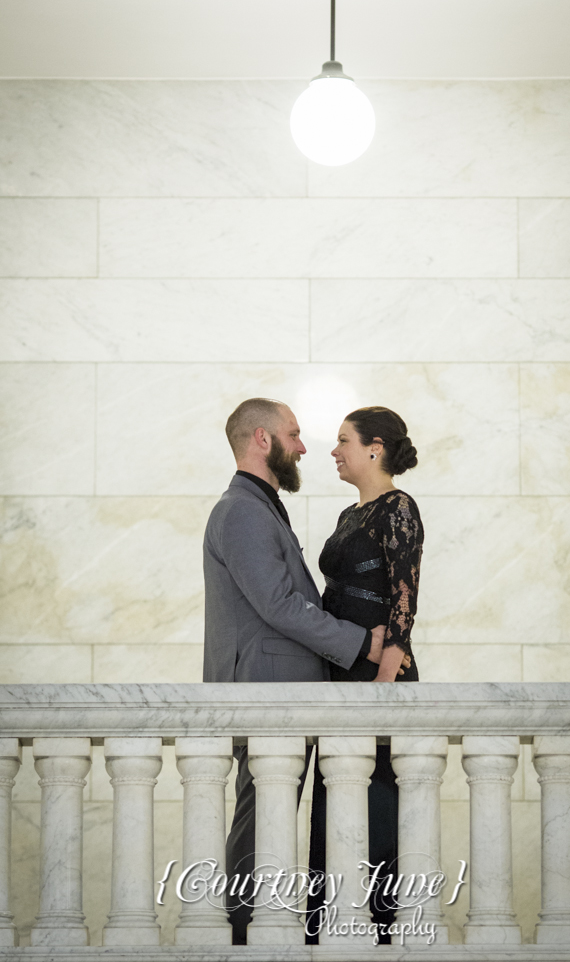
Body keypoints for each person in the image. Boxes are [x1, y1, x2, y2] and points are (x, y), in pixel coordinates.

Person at [202, 397, 398, 944]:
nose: (305, 447)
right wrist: (362, 643)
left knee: (268, 819)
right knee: (260, 822)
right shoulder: (241, 510)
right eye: (293, 435)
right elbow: (280, 605)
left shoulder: (259, 507)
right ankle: (241, 939)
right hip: (267, 693)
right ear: (262, 439)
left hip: (282, 691)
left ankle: (255, 932)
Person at [306, 405, 423, 944]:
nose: (334, 451)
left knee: (376, 802)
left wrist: (384, 687)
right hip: (340, 673)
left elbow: (404, 600)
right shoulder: (349, 515)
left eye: (342, 441)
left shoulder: (399, 507)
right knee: (334, 799)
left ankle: (378, 932)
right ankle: (329, 927)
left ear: (375, 447)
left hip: (380, 678)